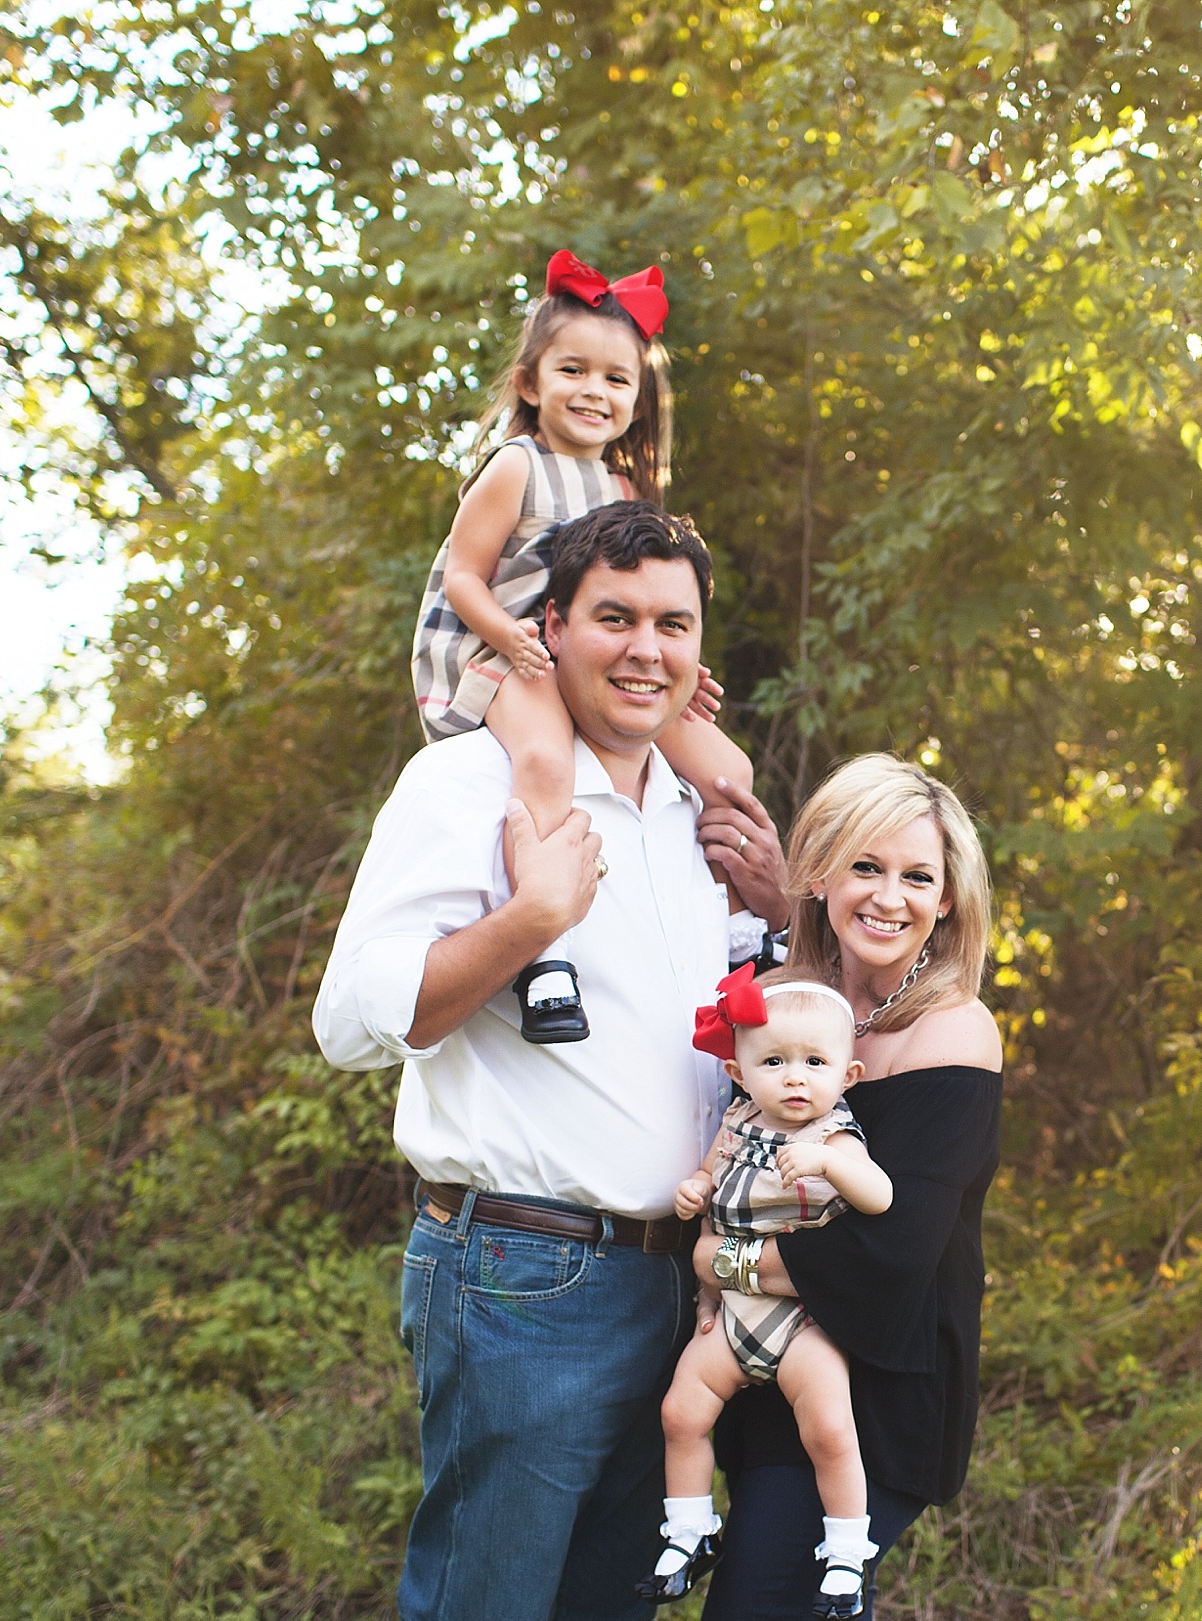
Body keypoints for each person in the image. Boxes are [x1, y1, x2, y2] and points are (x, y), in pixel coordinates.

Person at [315, 501, 789, 1621]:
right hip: (523, 1279)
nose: (645, 648)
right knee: (490, 1603)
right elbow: (348, 1021)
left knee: (612, 1603)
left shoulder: (693, 816)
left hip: (683, 1284)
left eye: (673, 624)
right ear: (553, 629)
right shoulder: (468, 787)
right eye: (614, 617)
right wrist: (530, 919)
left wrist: (781, 918)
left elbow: (745, 1045)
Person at [411, 248, 753, 1043]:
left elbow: (647, 601)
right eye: (573, 371)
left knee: (727, 770)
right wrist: (512, 638)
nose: (594, 392)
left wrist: (676, 669)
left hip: (592, 658)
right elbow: (462, 575)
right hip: (508, 648)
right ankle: (547, 953)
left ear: (639, 397)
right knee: (545, 763)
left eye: (615, 379)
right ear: (532, 383)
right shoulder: (515, 467)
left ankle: (740, 941)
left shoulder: (629, 492)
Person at [700, 756, 1005, 1620]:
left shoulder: (954, 1029)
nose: (888, 896)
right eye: (866, 866)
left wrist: (722, 1260)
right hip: (768, 1370)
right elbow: (734, 1160)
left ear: (947, 899)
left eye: (918, 877)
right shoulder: (786, 1008)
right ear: (823, 871)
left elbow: (891, 1249)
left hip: (883, 1389)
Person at [640, 969, 894, 1615]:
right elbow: (711, 1173)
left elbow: (880, 1195)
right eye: (773, 1061)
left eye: (815, 1061)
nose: (795, 1076)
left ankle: (844, 1549)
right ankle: (691, 1527)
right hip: (733, 1314)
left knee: (831, 1431)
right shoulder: (736, 1123)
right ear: (738, 1071)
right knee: (680, 1413)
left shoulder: (835, 1135)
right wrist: (695, 1187)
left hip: (802, 1319)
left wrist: (831, 1164)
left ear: (849, 1074)